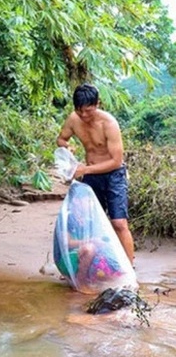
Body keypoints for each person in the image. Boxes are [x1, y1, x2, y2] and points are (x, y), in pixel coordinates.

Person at [56, 83, 135, 265]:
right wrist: (68, 146)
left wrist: (85, 170)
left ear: (97, 104)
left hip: (114, 176)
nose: (84, 115)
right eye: (79, 110)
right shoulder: (73, 119)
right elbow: (61, 139)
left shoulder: (109, 124)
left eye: (88, 110)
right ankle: (89, 265)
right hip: (91, 177)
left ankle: (129, 268)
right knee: (89, 223)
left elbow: (116, 161)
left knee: (119, 223)